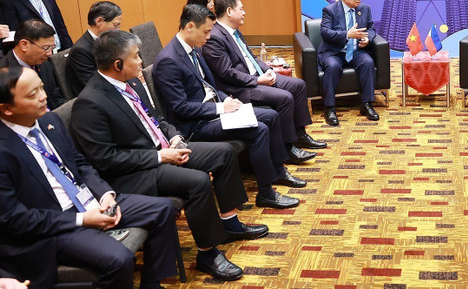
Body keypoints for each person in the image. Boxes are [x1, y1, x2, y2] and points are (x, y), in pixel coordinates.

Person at [69, 30, 268, 281]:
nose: (141, 61)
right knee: (197, 181)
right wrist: (161, 157)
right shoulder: (91, 102)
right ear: (118, 64)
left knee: (224, 153)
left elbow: (157, 118)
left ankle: (230, 222)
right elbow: (105, 159)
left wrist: (174, 137)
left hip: (163, 149)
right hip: (135, 172)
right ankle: (208, 253)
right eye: (136, 57)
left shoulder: (130, 83)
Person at [0, 66, 178, 288]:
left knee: (163, 210)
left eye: (42, 88)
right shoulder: (4, 149)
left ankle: (151, 284)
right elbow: (14, 219)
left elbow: (79, 163)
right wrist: (83, 219)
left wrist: (105, 193)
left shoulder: (50, 120)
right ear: (6, 109)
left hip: (86, 199)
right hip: (55, 223)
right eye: (32, 94)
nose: (44, 97)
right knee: (119, 259)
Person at [153, 4, 307, 207]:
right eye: (206, 31)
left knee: (271, 116)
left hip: (214, 112)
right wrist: (220, 108)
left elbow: (211, 86)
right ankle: (266, 193)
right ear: (190, 26)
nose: (208, 37)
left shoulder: (193, 49)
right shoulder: (168, 61)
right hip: (195, 125)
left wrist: (225, 100)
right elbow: (180, 108)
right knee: (259, 129)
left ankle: (278, 171)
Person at [202, 0, 326, 151]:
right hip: (240, 87)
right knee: (285, 97)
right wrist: (258, 81)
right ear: (229, 12)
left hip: (256, 76)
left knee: (298, 85)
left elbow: (250, 56)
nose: (244, 12)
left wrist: (268, 70)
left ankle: (300, 135)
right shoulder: (215, 37)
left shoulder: (235, 31)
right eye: (241, 8)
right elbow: (227, 72)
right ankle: (288, 147)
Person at [317, 0, 379, 125]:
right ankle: (330, 108)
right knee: (332, 67)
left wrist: (367, 39)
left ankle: (367, 104)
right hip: (334, 51)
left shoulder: (365, 9)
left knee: (368, 62)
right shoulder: (330, 10)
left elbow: (371, 29)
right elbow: (325, 33)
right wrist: (347, 35)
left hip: (356, 50)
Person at [0, 19, 66, 110]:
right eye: (46, 48)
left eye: (52, 47)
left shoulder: (45, 65)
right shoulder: (3, 73)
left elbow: (56, 98)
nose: (50, 53)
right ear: (24, 45)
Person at [66, 1, 122, 97]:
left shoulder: (108, 40)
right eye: (115, 25)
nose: (118, 30)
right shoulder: (81, 51)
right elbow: (94, 85)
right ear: (99, 21)